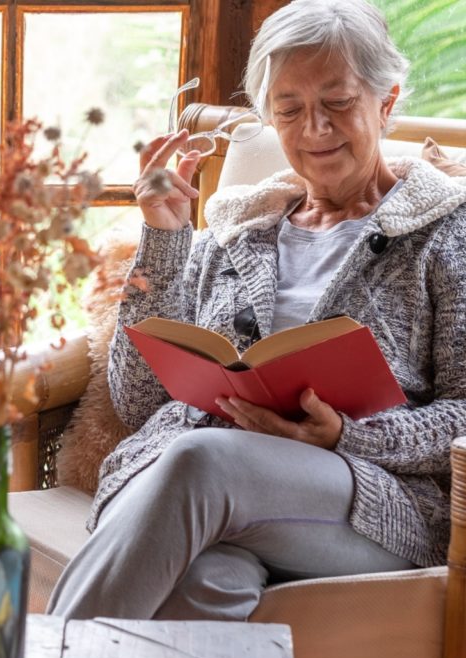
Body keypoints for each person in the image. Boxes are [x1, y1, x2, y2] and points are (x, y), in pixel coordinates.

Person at [47, 0, 466, 621]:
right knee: (207, 581)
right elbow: (138, 400)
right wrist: (164, 236)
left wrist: (347, 434)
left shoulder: (448, 232)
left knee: (200, 461)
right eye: (290, 110)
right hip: (210, 492)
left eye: (338, 103)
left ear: (386, 101)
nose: (314, 129)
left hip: (365, 501)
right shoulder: (236, 234)